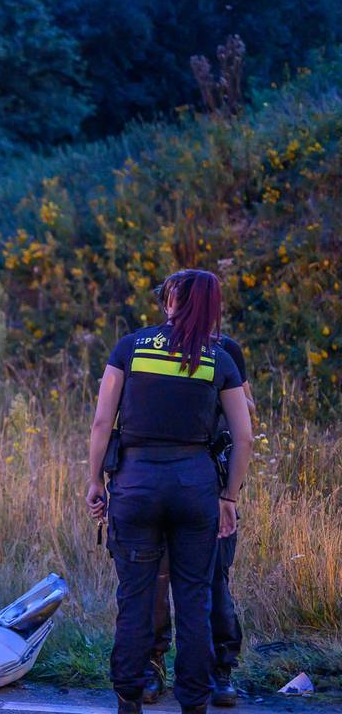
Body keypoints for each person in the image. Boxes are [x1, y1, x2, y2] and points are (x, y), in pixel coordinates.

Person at [85, 269, 254, 714]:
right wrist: (229, 497)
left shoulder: (132, 346)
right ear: (213, 306)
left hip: (136, 484)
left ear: (171, 302)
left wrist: (94, 481)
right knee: (195, 598)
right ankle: (195, 703)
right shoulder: (220, 357)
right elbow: (246, 436)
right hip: (194, 486)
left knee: (135, 598)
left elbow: (102, 422)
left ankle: (129, 698)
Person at [143, 275, 257, 708]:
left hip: (210, 481)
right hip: (158, 480)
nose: (172, 308)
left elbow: (247, 419)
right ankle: (153, 664)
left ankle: (220, 669)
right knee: (155, 581)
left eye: (179, 300)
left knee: (213, 581)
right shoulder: (148, 346)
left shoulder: (227, 350)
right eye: (168, 300)